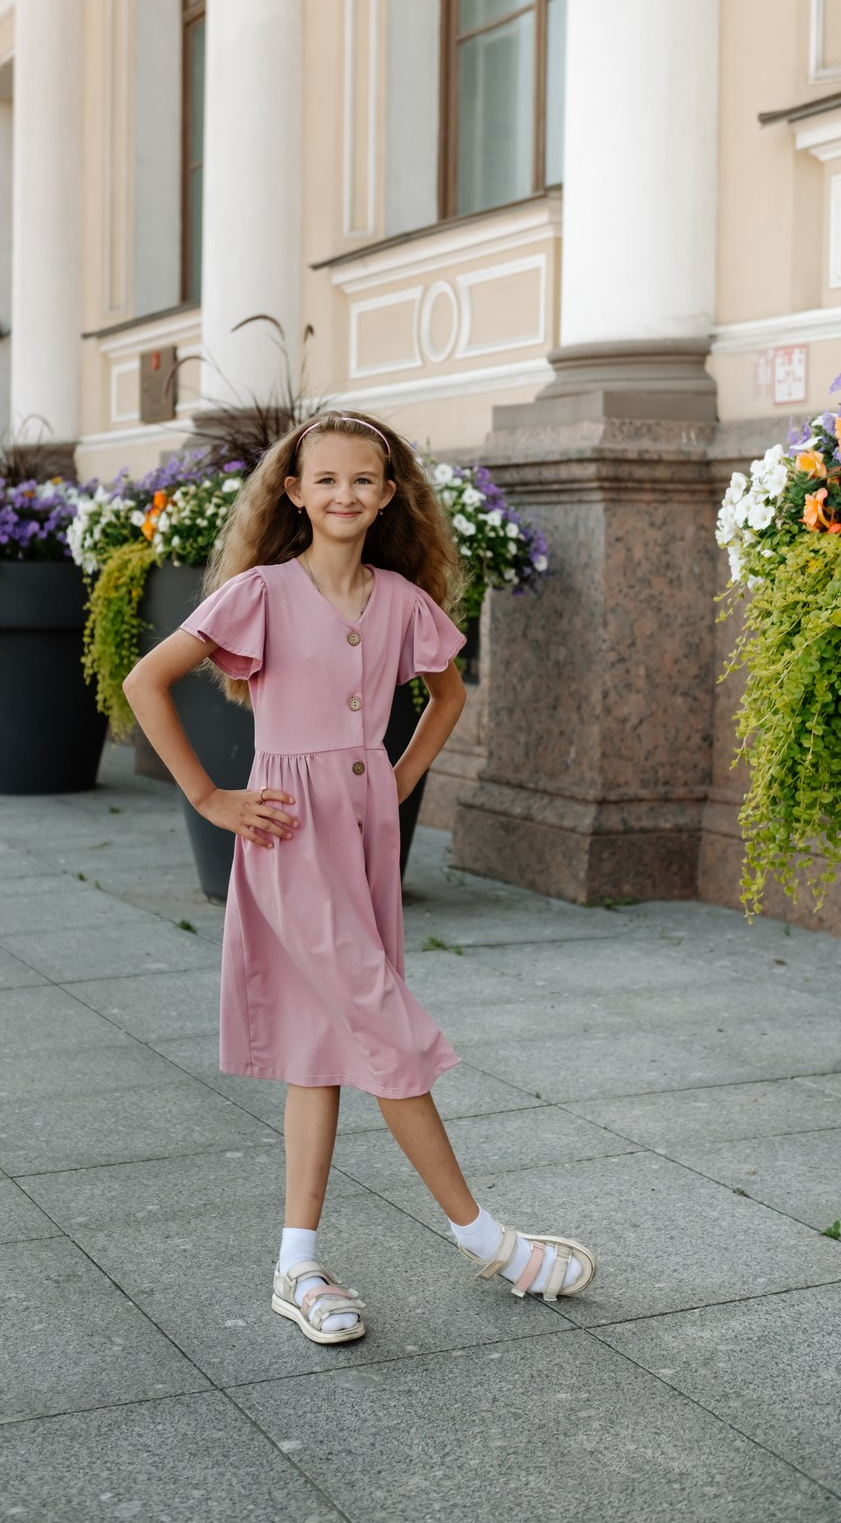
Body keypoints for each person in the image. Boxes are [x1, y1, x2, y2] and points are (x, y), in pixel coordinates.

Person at [124, 411, 596, 1344]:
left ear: (388, 495)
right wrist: (213, 800)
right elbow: (148, 681)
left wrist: (400, 776)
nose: (345, 494)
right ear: (293, 492)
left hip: (365, 834)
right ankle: (486, 1237)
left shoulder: (403, 601)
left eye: (363, 481)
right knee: (384, 1026)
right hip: (289, 833)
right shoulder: (259, 593)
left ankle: (296, 1266)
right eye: (325, 479)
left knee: (325, 1044)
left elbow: (450, 693)